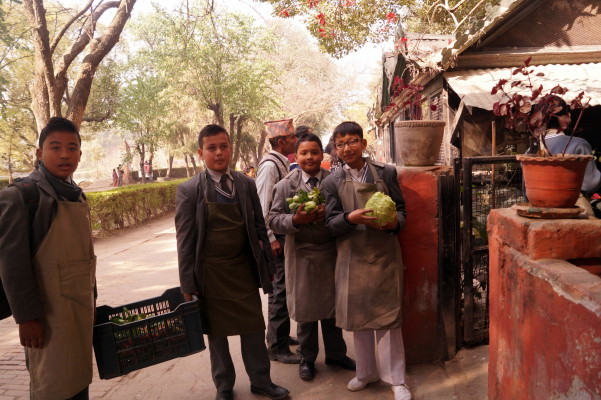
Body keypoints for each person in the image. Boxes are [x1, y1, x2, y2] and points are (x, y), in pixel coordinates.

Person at [175, 124, 289, 400]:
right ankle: (224, 386)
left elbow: (259, 228)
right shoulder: (189, 191)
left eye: (223, 146)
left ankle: (261, 381)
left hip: (243, 270)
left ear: (230, 148)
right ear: (201, 153)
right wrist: (187, 282)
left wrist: (267, 266)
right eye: (212, 148)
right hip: (210, 274)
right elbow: (185, 242)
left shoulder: (245, 184)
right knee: (217, 335)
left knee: (253, 328)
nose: (218, 153)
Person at [0, 117, 97, 400]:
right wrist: (27, 318)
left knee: (78, 381)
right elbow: (12, 264)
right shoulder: (22, 196)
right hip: (46, 317)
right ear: (40, 153)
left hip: (79, 311)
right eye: (55, 147)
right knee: (52, 387)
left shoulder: (76, 194)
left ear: (80, 153)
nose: (65, 154)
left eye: (72, 147)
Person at [321, 121, 411, 400]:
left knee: (388, 320)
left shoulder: (387, 173)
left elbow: (401, 210)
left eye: (352, 142)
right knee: (358, 319)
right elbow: (330, 224)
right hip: (352, 256)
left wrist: (392, 223)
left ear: (363, 143)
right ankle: (365, 372)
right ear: (335, 150)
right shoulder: (331, 182)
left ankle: (397, 379)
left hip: (384, 254)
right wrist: (351, 218)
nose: (347, 148)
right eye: (340, 144)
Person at [269, 133, 356, 381]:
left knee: (333, 309)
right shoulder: (285, 185)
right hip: (300, 256)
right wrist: (295, 220)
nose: (309, 157)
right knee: (306, 312)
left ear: (323, 155)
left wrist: (331, 216)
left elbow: (347, 212)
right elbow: (273, 219)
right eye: (304, 153)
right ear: (296, 157)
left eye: (314, 152)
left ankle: (336, 354)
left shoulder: (336, 181)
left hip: (331, 253)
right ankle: (307, 359)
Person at [255, 118, 301, 364]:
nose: (296, 140)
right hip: (276, 239)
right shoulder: (270, 166)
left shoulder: (280, 163)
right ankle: (276, 346)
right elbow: (263, 207)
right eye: (292, 137)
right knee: (279, 292)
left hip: (282, 237)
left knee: (284, 289)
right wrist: (271, 239)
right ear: (281, 140)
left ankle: (280, 336)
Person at [540, 97, 601, 203]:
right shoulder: (578, 145)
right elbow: (591, 184)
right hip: (572, 209)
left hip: (540, 207)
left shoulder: (531, 151)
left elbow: (526, 190)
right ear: (567, 117)